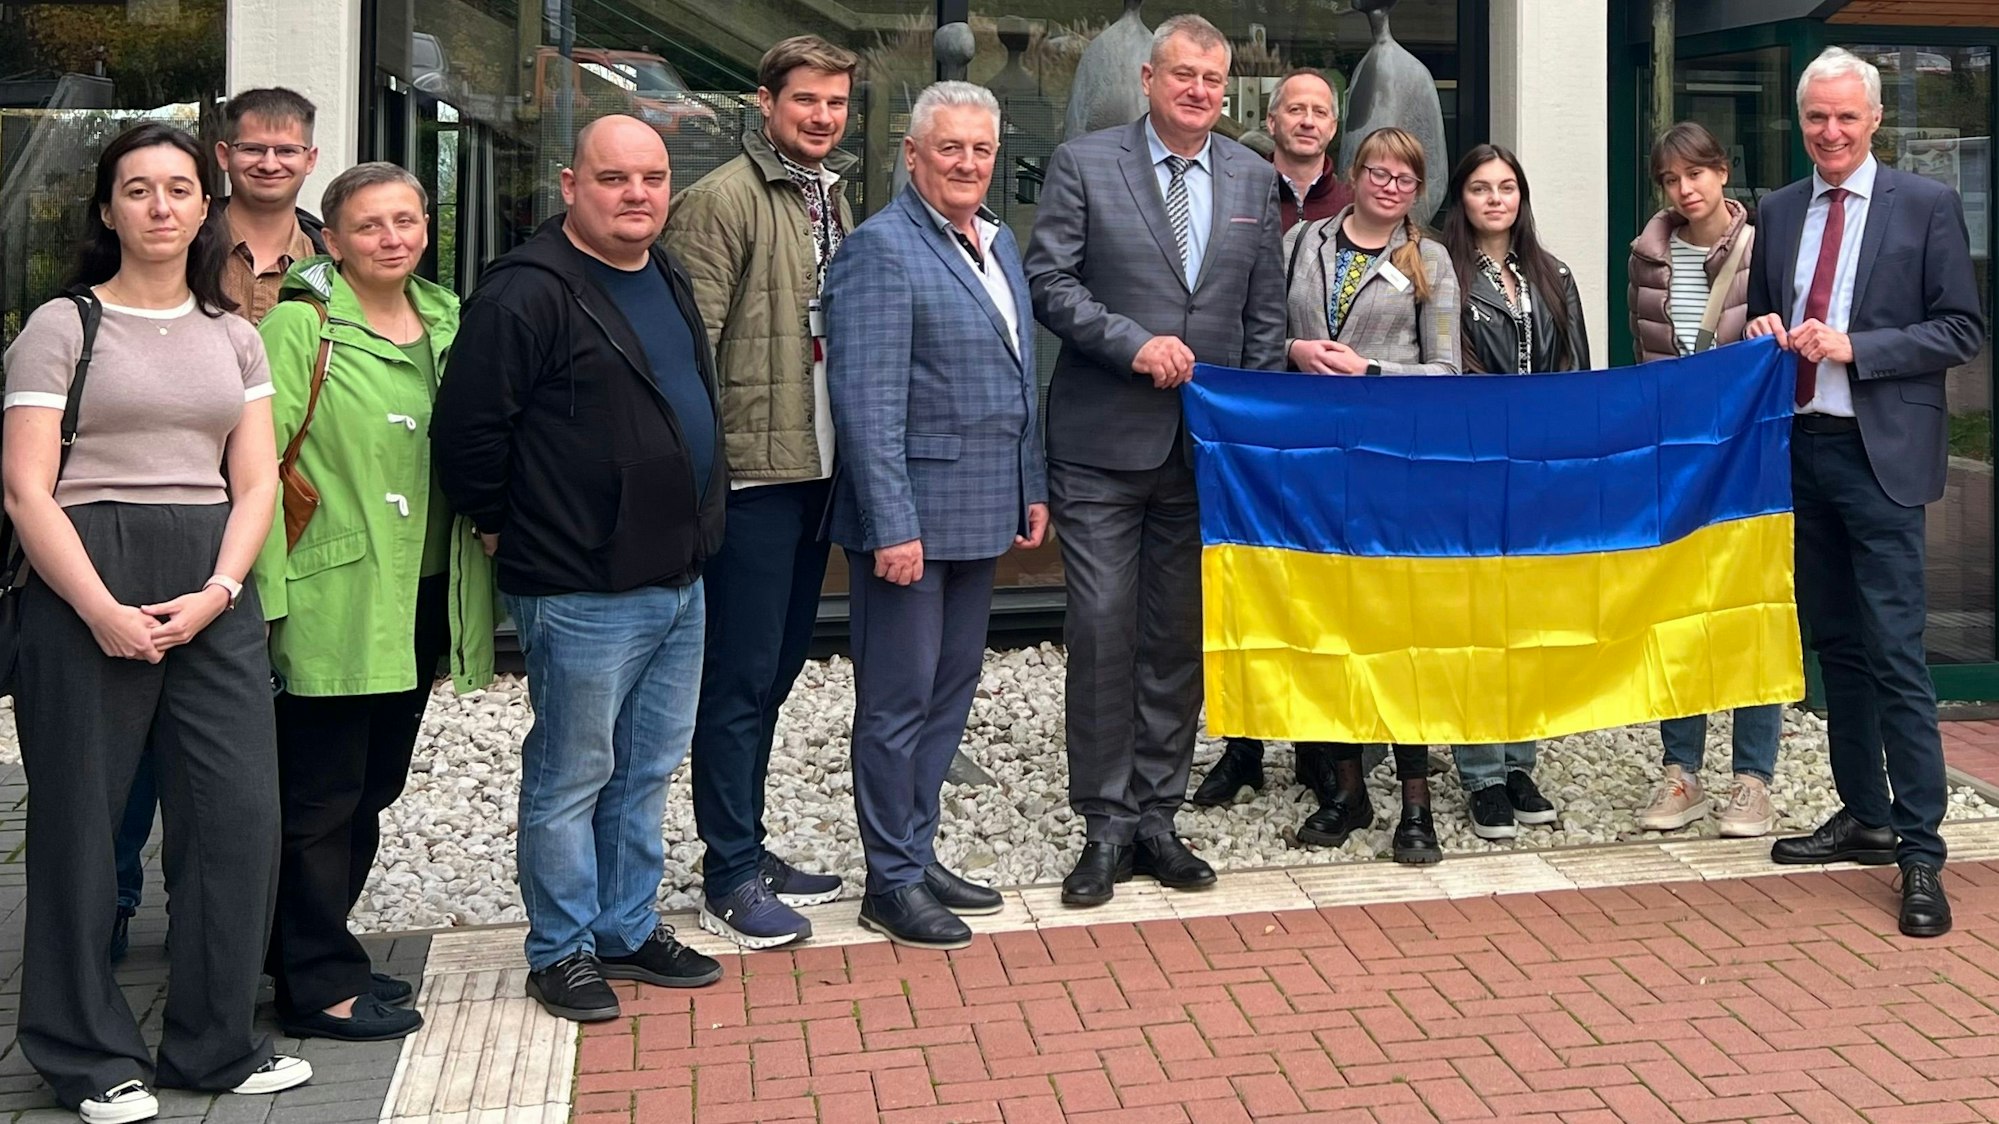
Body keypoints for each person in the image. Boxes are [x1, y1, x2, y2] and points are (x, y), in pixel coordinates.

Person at [2, 121, 311, 1123]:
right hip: (85, 576)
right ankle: (85, 1053)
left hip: (213, 583)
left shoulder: (235, 332)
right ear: (107, 208)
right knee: (83, 830)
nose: (161, 205)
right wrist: (97, 607)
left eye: (179, 187)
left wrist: (222, 590)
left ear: (203, 206)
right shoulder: (62, 325)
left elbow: (257, 477)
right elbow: (24, 489)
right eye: (137, 188)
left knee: (236, 820)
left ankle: (213, 1042)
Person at [432, 115, 728, 1021]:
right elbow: (469, 432)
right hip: (579, 584)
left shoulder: (666, 273)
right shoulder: (525, 293)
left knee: (643, 770)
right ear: (570, 185)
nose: (636, 194)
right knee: (570, 776)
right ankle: (559, 949)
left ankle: (626, 927)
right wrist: (499, 526)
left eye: (651, 177)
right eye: (613, 178)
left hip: (677, 578)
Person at [1026, 13, 1286, 908]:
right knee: (1102, 628)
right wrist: (1132, 343)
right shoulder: (1085, 164)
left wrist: (1248, 430)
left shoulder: (1252, 177)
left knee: (1176, 637)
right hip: (1103, 444)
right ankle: (1102, 822)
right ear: (1147, 79)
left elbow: (1263, 322)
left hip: (1202, 454)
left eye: (1213, 82)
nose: (1199, 92)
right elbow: (1049, 283)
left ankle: (1157, 816)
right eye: (1183, 76)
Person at [249, 162, 498, 1042]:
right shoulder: (298, 327)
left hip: (424, 592)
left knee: (372, 788)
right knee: (319, 797)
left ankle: (309, 951)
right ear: (332, 239)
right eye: (369, 226)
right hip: (334, 595)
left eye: (407, 220)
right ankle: (312, 987)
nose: (393, 239)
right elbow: (256, 473)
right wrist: (268, 602)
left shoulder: (447, 317)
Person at [1745, 47, 1984, 937]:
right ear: (1800, 119)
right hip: (1799, 453)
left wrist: (1859, 347)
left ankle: (1922, 852)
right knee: (1835, 649)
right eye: (1816, 117)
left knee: (1894, 655)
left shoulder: (1923, 205)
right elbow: (1766, 317)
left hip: (1880, 457)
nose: (1830, 133)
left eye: (1846, 117)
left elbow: (1960, 328)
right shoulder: (1776, 210)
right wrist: (1765, 325)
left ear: (1874, 119)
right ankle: (1867, 816)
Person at [823, 82, 1049, 950]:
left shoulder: (995, 244)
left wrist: (1029, 483)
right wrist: (891, 526)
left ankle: (915, 853)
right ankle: (889, 879)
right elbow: (866, 403)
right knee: (895, 701)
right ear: (911, 156)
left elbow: (1018, 378)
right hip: (913, 521)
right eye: (948, 148)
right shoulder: (881, 250)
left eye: (980, 149)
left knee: (949, 695)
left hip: (983, 508)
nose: (965, 163)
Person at [108, 85, 329, 965]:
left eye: (289, 149)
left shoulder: (332, 255)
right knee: (132, 742)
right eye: (253, 147)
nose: (271, 161)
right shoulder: (178, 241)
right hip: (166, 511)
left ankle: (231, 925)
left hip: (290, 516)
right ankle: (112, 907)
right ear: (224, 157)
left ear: (311, 159)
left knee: (242, 741)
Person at [660, 35, 857, 950]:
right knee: (737, 682)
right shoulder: (720, 203)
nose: (821, 117)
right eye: (806, 101)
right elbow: (686, 355)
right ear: (765, 102)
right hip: (750, 478)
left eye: (835, 103)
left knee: (774, 674)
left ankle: (749, 843)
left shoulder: (831, 196)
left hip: (815, 470)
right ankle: (728, 871)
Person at [1281, 125, 1460, 863]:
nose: (1389, 187)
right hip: (1311, 462)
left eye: (1404, 179)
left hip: (1394, 467)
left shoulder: (1432, 259)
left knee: (1399, 630)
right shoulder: (1301, 243)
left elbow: (1446, 370)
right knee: (1327, 623)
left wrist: (1372, 373)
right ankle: (1346, 790)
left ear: (1417, 190)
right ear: (1351, 174)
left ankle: (1414, 802)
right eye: (1378, 174)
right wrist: (1294, 350)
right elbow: (1265, 331)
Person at [1188, 65, 1352, 810]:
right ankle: (1243, 745)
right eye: (1296, 108)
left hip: (1336, 434)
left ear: (1332, 125)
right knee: (1250, 581)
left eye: (1321, 110)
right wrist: (1284, 353)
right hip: (1254, 417)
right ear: (1272, 118)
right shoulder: (1237, 187)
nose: (1308, 120)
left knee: (1324, 585)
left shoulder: (1357, 199)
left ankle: (1321, 744)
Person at [1627, 121, 1784, 839]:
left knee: (1750, 608)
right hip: (1676, 458)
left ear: (1722, 172)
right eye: (1670, 179)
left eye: (1696, 173)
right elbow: (1648, 359)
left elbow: (1782, 332)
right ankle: (1679, 771)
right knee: (1677, 610)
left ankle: (1751, 780)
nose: (1684, 190)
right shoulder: (1647, 259)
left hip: (1748, 458)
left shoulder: (1763, 246)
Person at [1433, 143, 1585, 842]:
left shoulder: (1553, 276)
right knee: (1474, 625)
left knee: (1527, 624)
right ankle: (1480, 776)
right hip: (1471, 464)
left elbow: (1574, 373)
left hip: (1539, 470)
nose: (1494, 199)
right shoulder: (1442, 273)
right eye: (1479, 188)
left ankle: (1520, 763)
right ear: (1459, 198)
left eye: (1506, 187)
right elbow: (1449, 373)